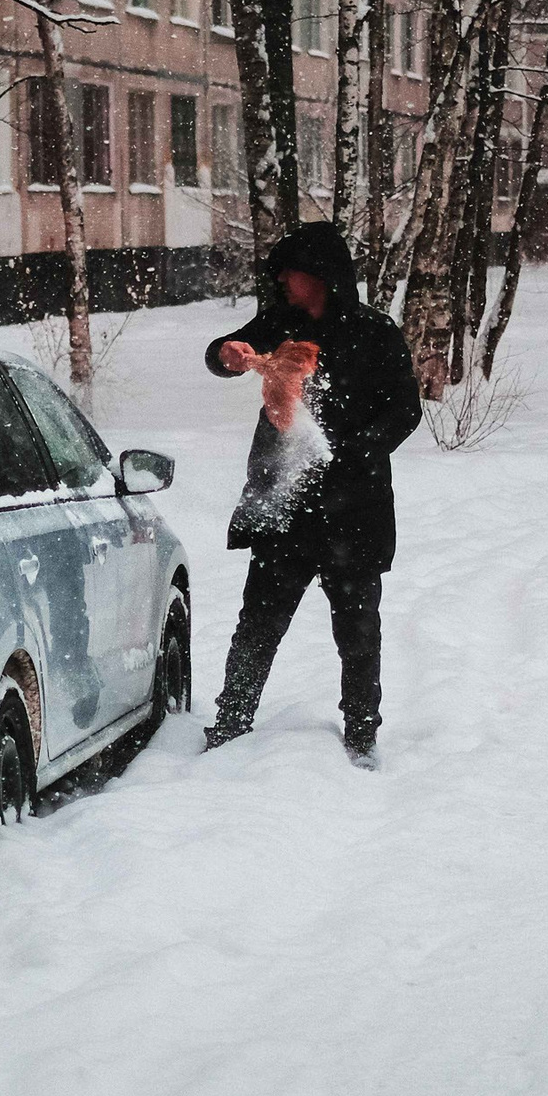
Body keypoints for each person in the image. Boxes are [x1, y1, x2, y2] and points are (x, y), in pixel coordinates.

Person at [201, 222, 422, 767]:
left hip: (354, 508)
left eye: (290, 271)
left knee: (357, 627)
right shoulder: (281, 323)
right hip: (286, 505)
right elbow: (227, 352)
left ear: (320, 275)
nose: (281, 279)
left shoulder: (377, 332)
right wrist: (224, 355)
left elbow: (406, 409)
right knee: (259, 620)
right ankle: (231, 723)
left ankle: (362, 731)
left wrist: (358, 450)